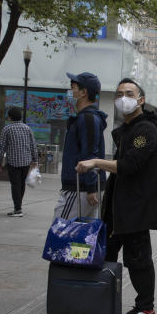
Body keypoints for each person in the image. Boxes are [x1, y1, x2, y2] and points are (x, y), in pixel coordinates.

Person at [77, 78, 157, 314]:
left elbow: (129, 165)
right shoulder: (126, 129)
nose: (123, 98)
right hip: (117, 207)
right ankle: (100, 301)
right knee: (106, 254)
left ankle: (145, 309)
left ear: (141, 99)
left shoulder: (146, 130)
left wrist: (96, 162)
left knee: (138, 259)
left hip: (136, 208)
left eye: (129, 93)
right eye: (119, 94)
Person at [55, 72, 107, 220]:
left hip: (80, 189)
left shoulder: (88, 119)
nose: (70, 92)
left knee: (60, 232)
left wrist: (91, 188)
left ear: (84, 92)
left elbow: (90, 154)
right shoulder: (85, 118)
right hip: (81, 188)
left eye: (73, 88)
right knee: (78, 240)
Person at [0, 107, 37, 217]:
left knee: (15, 185)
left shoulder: (7, 129)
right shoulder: (27, 128)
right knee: (21, 184)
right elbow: (33, 145)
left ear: (10, 117)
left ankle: (18, 209)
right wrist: (35, 160)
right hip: (26, 162)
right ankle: (18, 207)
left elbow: (2, 147)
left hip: (13, 162)